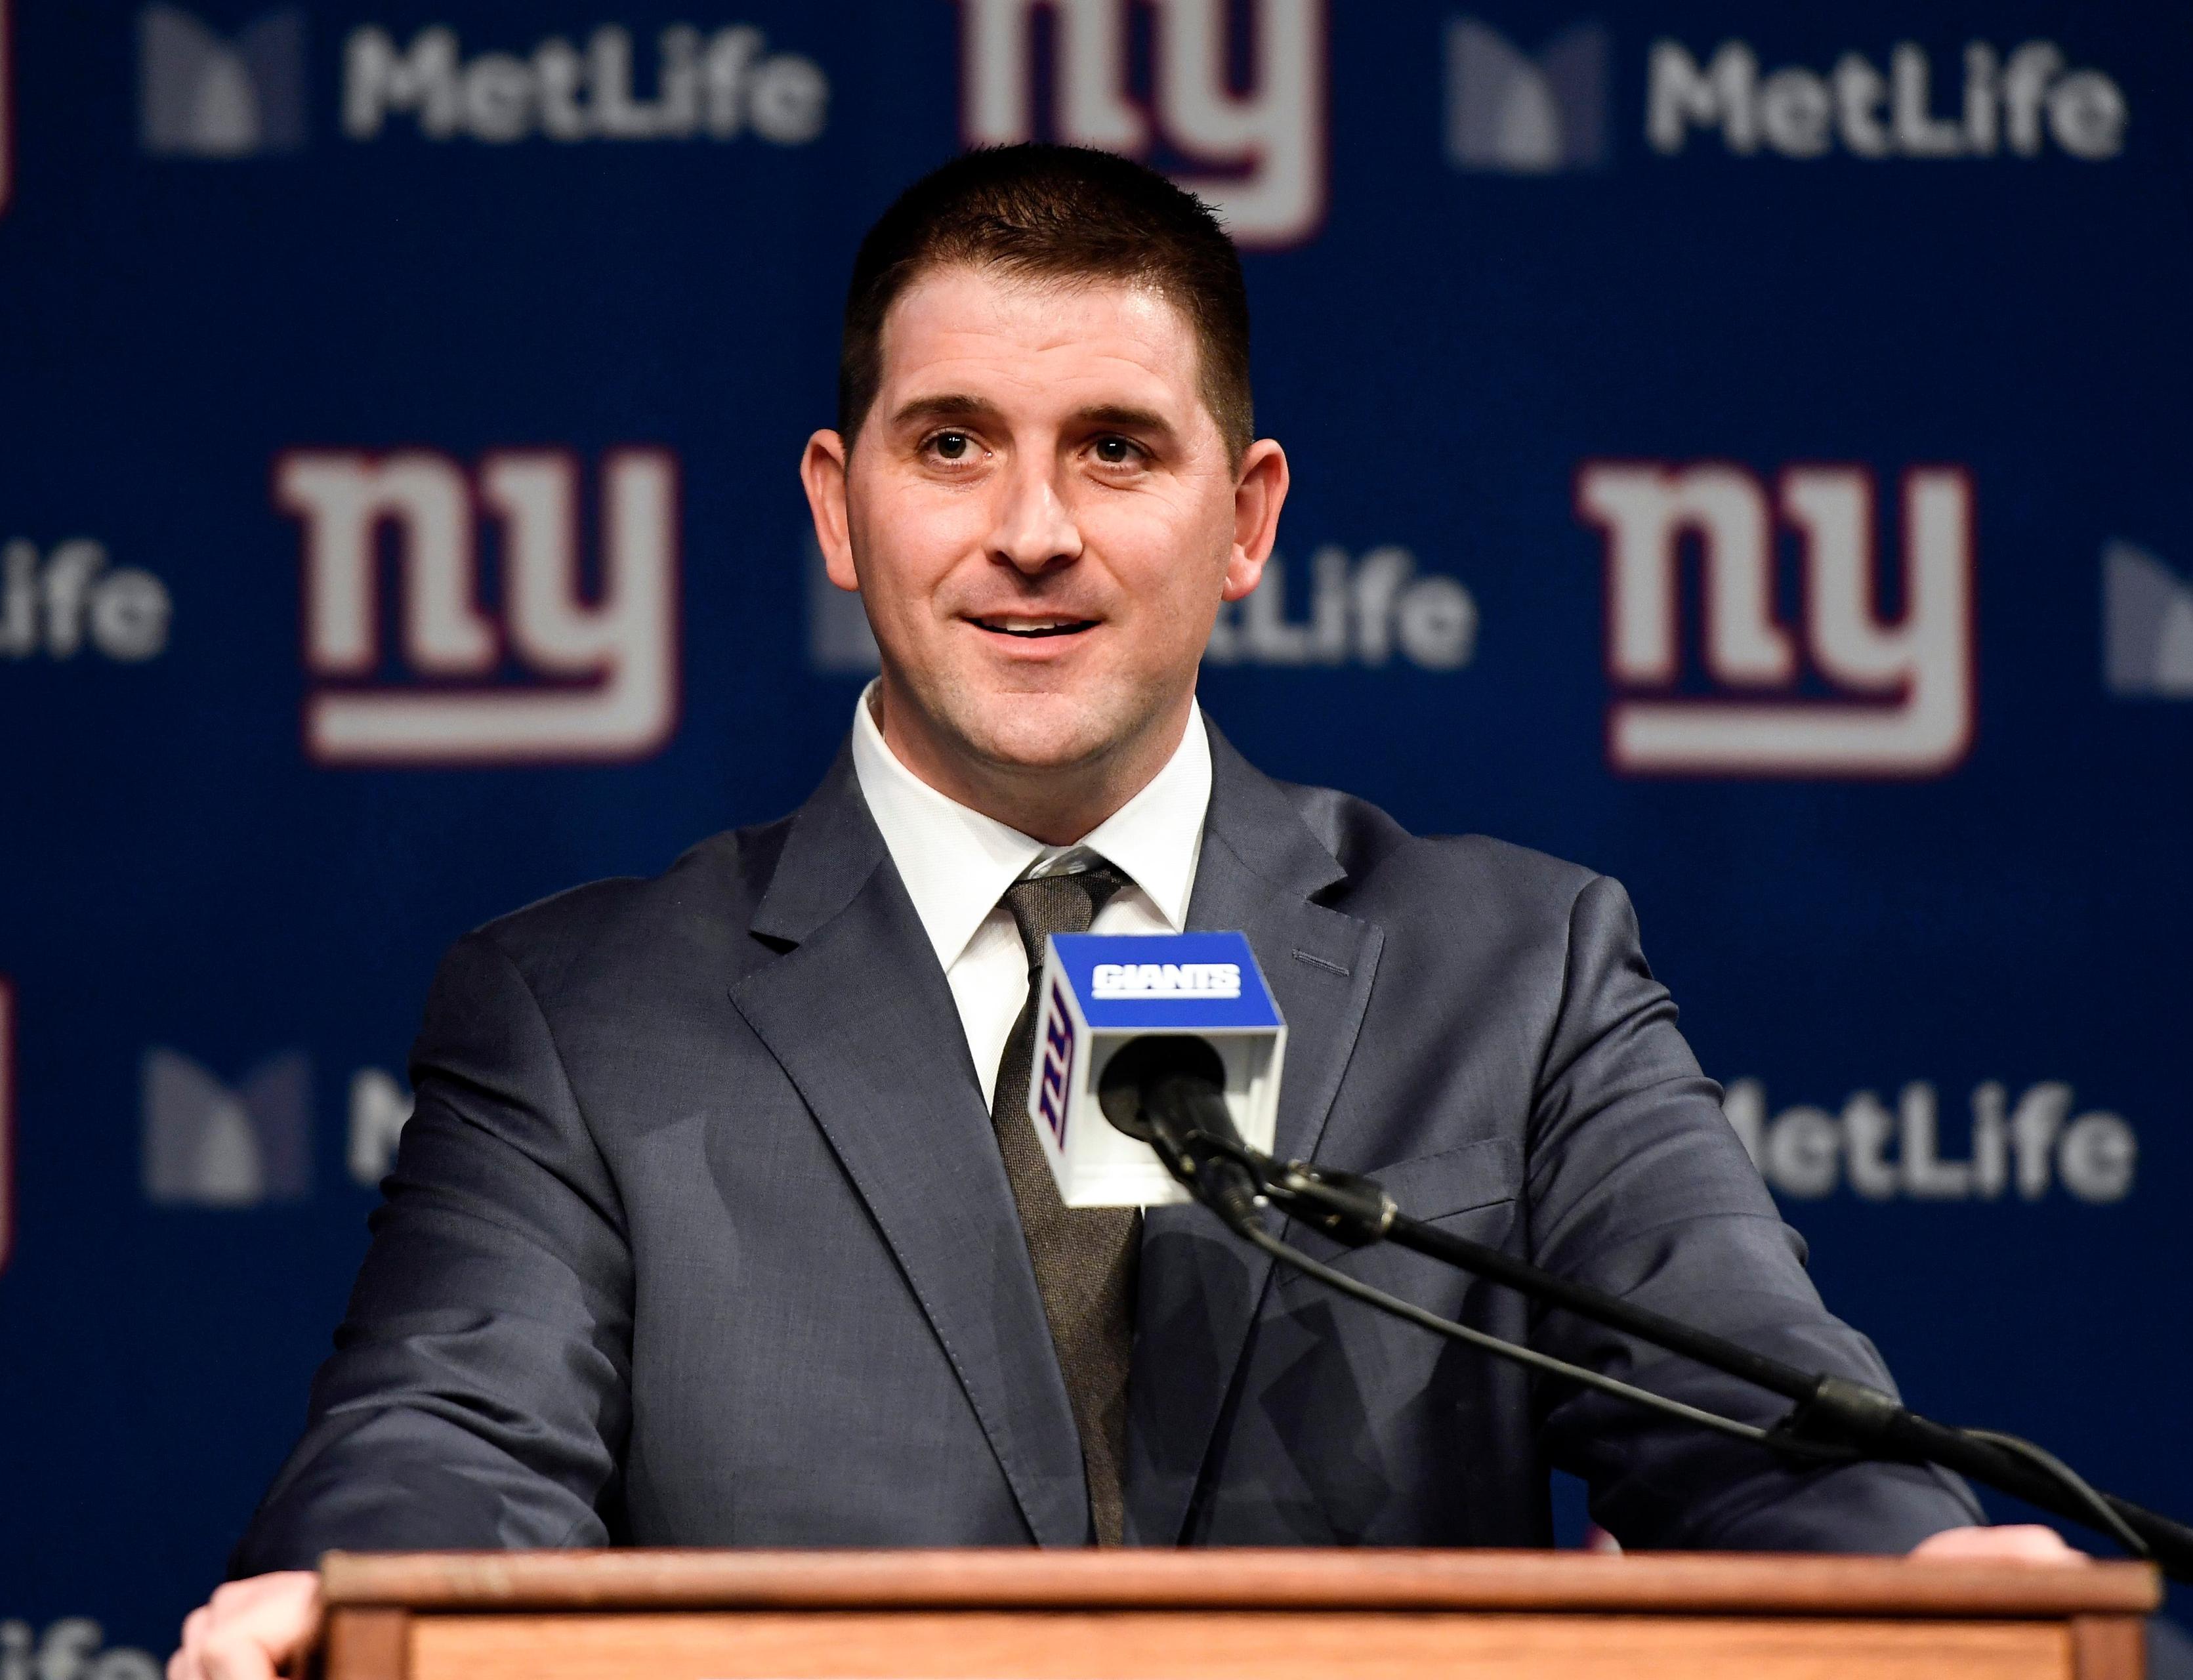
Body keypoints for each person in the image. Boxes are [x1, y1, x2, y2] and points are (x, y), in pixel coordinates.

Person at [169, 144, 2076, 1680]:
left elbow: (1757, 1424)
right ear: (839, 511)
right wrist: (368, 1597)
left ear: (1246, 520)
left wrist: (1934, 1581)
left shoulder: (1513, 975)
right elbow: (455, 1436)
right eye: (950, 445)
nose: (1031, 531)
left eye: (1114, 446)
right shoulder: (580, 1011)